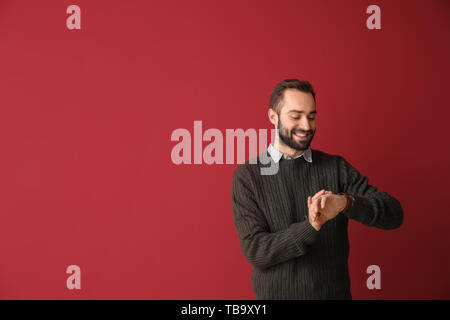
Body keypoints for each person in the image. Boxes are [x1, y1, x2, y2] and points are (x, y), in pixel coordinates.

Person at [231, 79, 403, 299]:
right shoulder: (248, 176)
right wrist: (310, 227)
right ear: (273, 117)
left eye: (311, 116)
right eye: (296, 116)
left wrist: (346, 203)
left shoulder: (336, 168)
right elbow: (256, 250)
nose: (306, 125)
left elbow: (394, 214)